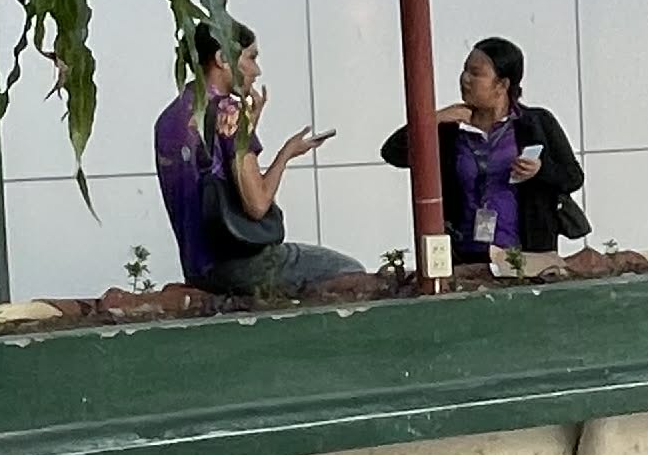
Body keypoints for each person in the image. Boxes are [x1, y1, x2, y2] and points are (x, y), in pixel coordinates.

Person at [153, 20, 364, 300]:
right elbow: (257, 204)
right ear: (222, 59)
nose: (257, 71)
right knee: (351, 271)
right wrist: (286, 153)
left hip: (197, 267)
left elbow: (211, 167)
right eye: (251, 58)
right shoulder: (229, 112)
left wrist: (249, 128)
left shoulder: (170, 117)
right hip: (241, 264)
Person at [385, 35, 588, 279]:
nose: (465, 79)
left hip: (525, 256)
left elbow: (573, 177)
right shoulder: (450, 129)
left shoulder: (536, 123)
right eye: (464, 70)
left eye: (475, 73)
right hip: (463, 257)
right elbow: (393, 153)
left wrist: (540, 170)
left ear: (502, 84)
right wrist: (432, 120)